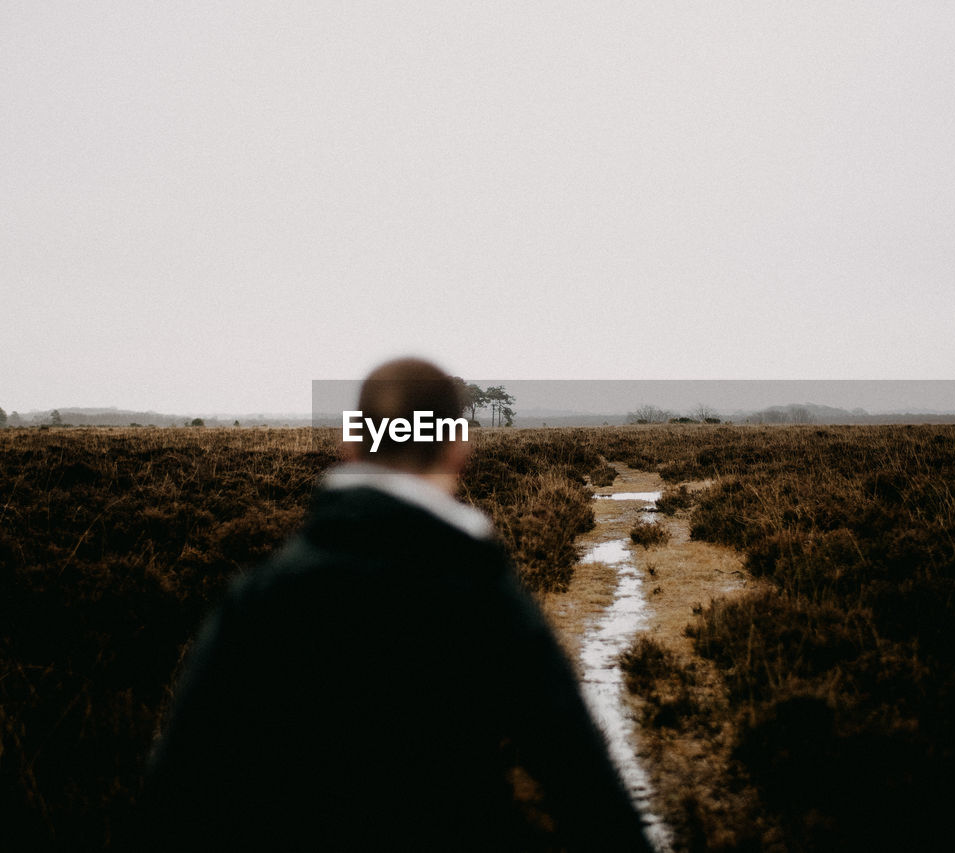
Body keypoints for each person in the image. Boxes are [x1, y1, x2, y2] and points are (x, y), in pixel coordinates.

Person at [138, 358, 652, 851]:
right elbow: (576, 775)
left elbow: (179, 793)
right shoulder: (482, 595)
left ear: (350, 443)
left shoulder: (260, 595)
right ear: (458, 447)